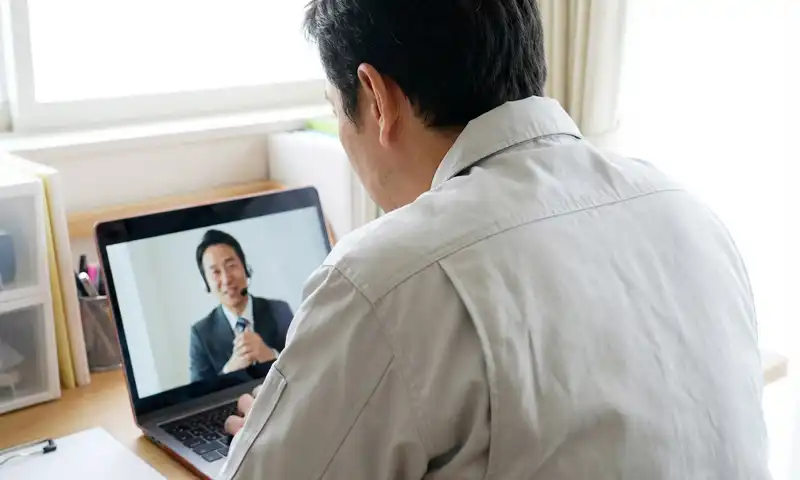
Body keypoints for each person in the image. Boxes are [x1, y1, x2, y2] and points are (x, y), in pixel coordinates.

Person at [220, 0, 769, 478]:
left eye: (335, 108)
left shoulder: (384, 278)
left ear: (376, 98)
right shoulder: (687, 210)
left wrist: (281, 437)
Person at [189, 229, 292, 383]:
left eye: (231, 266)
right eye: (215, 272)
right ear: (206, 283)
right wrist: (229, 372)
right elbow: (198, 393)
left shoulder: (279, 310)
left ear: (246, 269)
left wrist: (271, 357)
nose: (226, 279)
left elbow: (306, 368)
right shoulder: (200, 334)